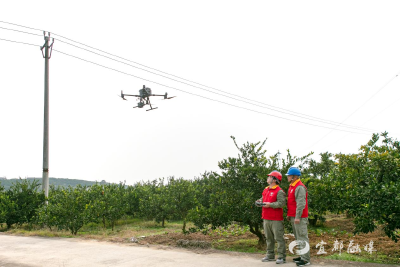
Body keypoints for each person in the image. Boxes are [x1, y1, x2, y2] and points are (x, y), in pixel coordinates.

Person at [256, 171, 286, 264]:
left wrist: (271, 205)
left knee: (279, 238)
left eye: (270, 177)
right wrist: (259, 201)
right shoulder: (266, 189)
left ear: (274, 179)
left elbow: (282, 203)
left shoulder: (279, 191)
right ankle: (270, 255)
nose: (268, 178)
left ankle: (281, 257)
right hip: (266, 217)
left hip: (276, 219)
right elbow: (263, 199)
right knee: (268, 238)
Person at [286, 167, 310, 266]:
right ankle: (302, 255)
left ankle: (306, 260)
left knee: (302, 237)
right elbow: (291, 202)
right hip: (294, 216)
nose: (287, 177)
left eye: (289, 175)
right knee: (298, 237)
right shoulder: (292, 186)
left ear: (294, 177)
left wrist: (297, 216)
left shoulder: (299, 187)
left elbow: (301, 203)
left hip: (299, 217)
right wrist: (289, 215)